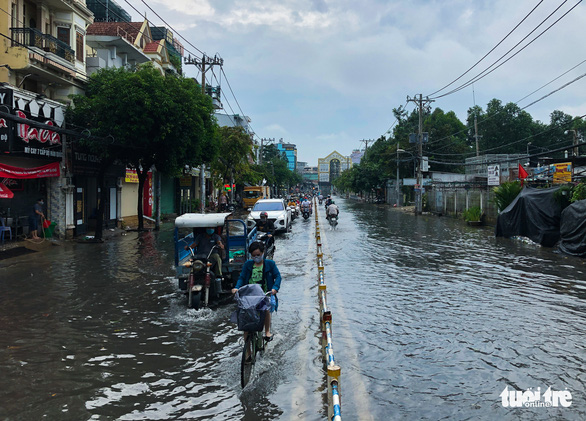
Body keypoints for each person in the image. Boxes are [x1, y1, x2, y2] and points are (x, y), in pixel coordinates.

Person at [232, 241, 281, 340]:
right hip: (250, 294)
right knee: (245, 316)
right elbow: (242, 278)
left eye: (258, 255)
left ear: (263, 253)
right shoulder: (248, 264)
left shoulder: (270, 264)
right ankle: (247, 350)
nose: (256, 257)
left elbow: (278, 276)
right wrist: (237, 287)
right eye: (253, 255)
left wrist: (275, 288)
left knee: (265, 309)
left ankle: (267, 332)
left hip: (264, 294)